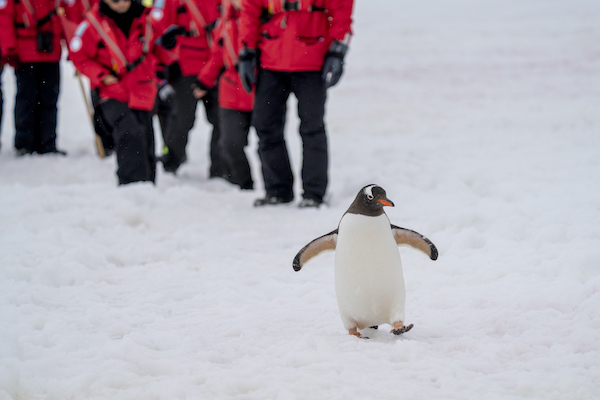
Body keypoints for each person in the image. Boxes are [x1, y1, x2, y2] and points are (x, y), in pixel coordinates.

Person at [238, 0, 354, 208]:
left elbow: (341, 10)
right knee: (265, 126)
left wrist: (338, 50)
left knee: (312, 128)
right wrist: (246, 51)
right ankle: (277, 190)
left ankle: (314, 193)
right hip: (271, 59)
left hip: (312, 59)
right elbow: (250, 10)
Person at [69, 0, 176, 184]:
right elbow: (79, 57)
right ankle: (131, 186)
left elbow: (157, 50)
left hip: (142, 87)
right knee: (130, 132)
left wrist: (169, 46)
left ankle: (148, 186)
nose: (121, 4)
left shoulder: (147, 19)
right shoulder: (92, 24)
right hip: (112, 91)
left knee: (146, 137)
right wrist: (102, 75)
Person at [151, 0, 226, 178]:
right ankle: (171, 161)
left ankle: (220, 170)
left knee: (221, 119)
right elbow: (156, 28)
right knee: (182, 119)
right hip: (185, 66)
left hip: (216, 63)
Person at [193, 0, 254, 190]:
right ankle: (243, 182)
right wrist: (204, 80)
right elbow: (218, 53)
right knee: (229, 142)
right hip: (230, 88)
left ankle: (275, 186)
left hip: (260, 88)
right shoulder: (225, 21)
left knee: (268, 140)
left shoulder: (260, 17)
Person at [0, 0, 67, 156]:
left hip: (50, 50)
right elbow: (4, 18)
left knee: (49, 99)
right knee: (27, 99)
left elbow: (66, 15)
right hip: (26, 51)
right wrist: (9, 48)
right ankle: (25, 143)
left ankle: (47, 142)